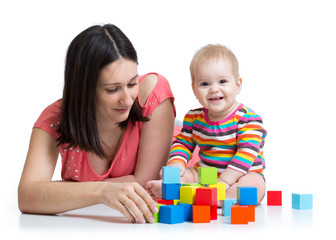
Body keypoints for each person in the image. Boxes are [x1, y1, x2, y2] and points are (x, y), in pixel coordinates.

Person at [18, 24, 176, 224]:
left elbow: (146, 184)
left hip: (212, 164)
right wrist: (101, 191)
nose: (127, 100)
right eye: (112, 89)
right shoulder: (55, 120)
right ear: (84, 90)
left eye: (132, 83)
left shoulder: (152, 93)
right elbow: (28, 196)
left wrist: (65, 190)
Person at [146, 44, 267, 204]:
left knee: (254, 186)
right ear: (194, 90)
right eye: (205, 84)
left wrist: (224, 182)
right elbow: (183, 143)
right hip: (205, 174)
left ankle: (211, 198)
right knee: (185, 175)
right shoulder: (194, 117)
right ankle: (174, 189)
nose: (213, 89)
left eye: (222, 81)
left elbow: (246, 154)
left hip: (240, 175)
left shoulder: (248, 119)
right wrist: (176, 163)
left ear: (237, 85)